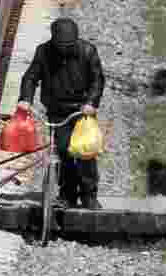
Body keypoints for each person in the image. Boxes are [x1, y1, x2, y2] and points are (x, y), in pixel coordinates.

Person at [17, 19, 105, 209]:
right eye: (61, 45)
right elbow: (31, 76)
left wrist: (91, 103)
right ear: (53, 40)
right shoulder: (43, 52)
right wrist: (25, 99)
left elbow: (97, 80)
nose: (65, 49)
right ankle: (67, 195)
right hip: (57, 111)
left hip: (82, 112)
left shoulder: (88, 51)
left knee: (85, 152)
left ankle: (89, 195)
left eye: (69, 45)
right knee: (64, 152)